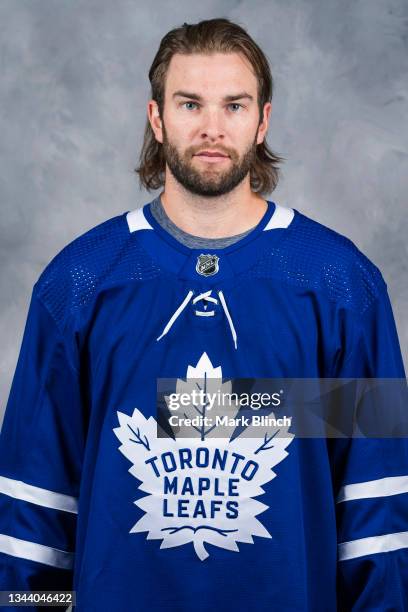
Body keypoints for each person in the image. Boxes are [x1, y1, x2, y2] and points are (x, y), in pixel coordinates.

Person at [0, 17, 407, 612]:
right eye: (190, 104)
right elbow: (33, 514)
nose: (212, 128)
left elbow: (378, 511)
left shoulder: (342, 283)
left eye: (234, 106)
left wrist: (213, 407)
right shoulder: (77, 283)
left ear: (262, 120)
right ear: (157, 117)